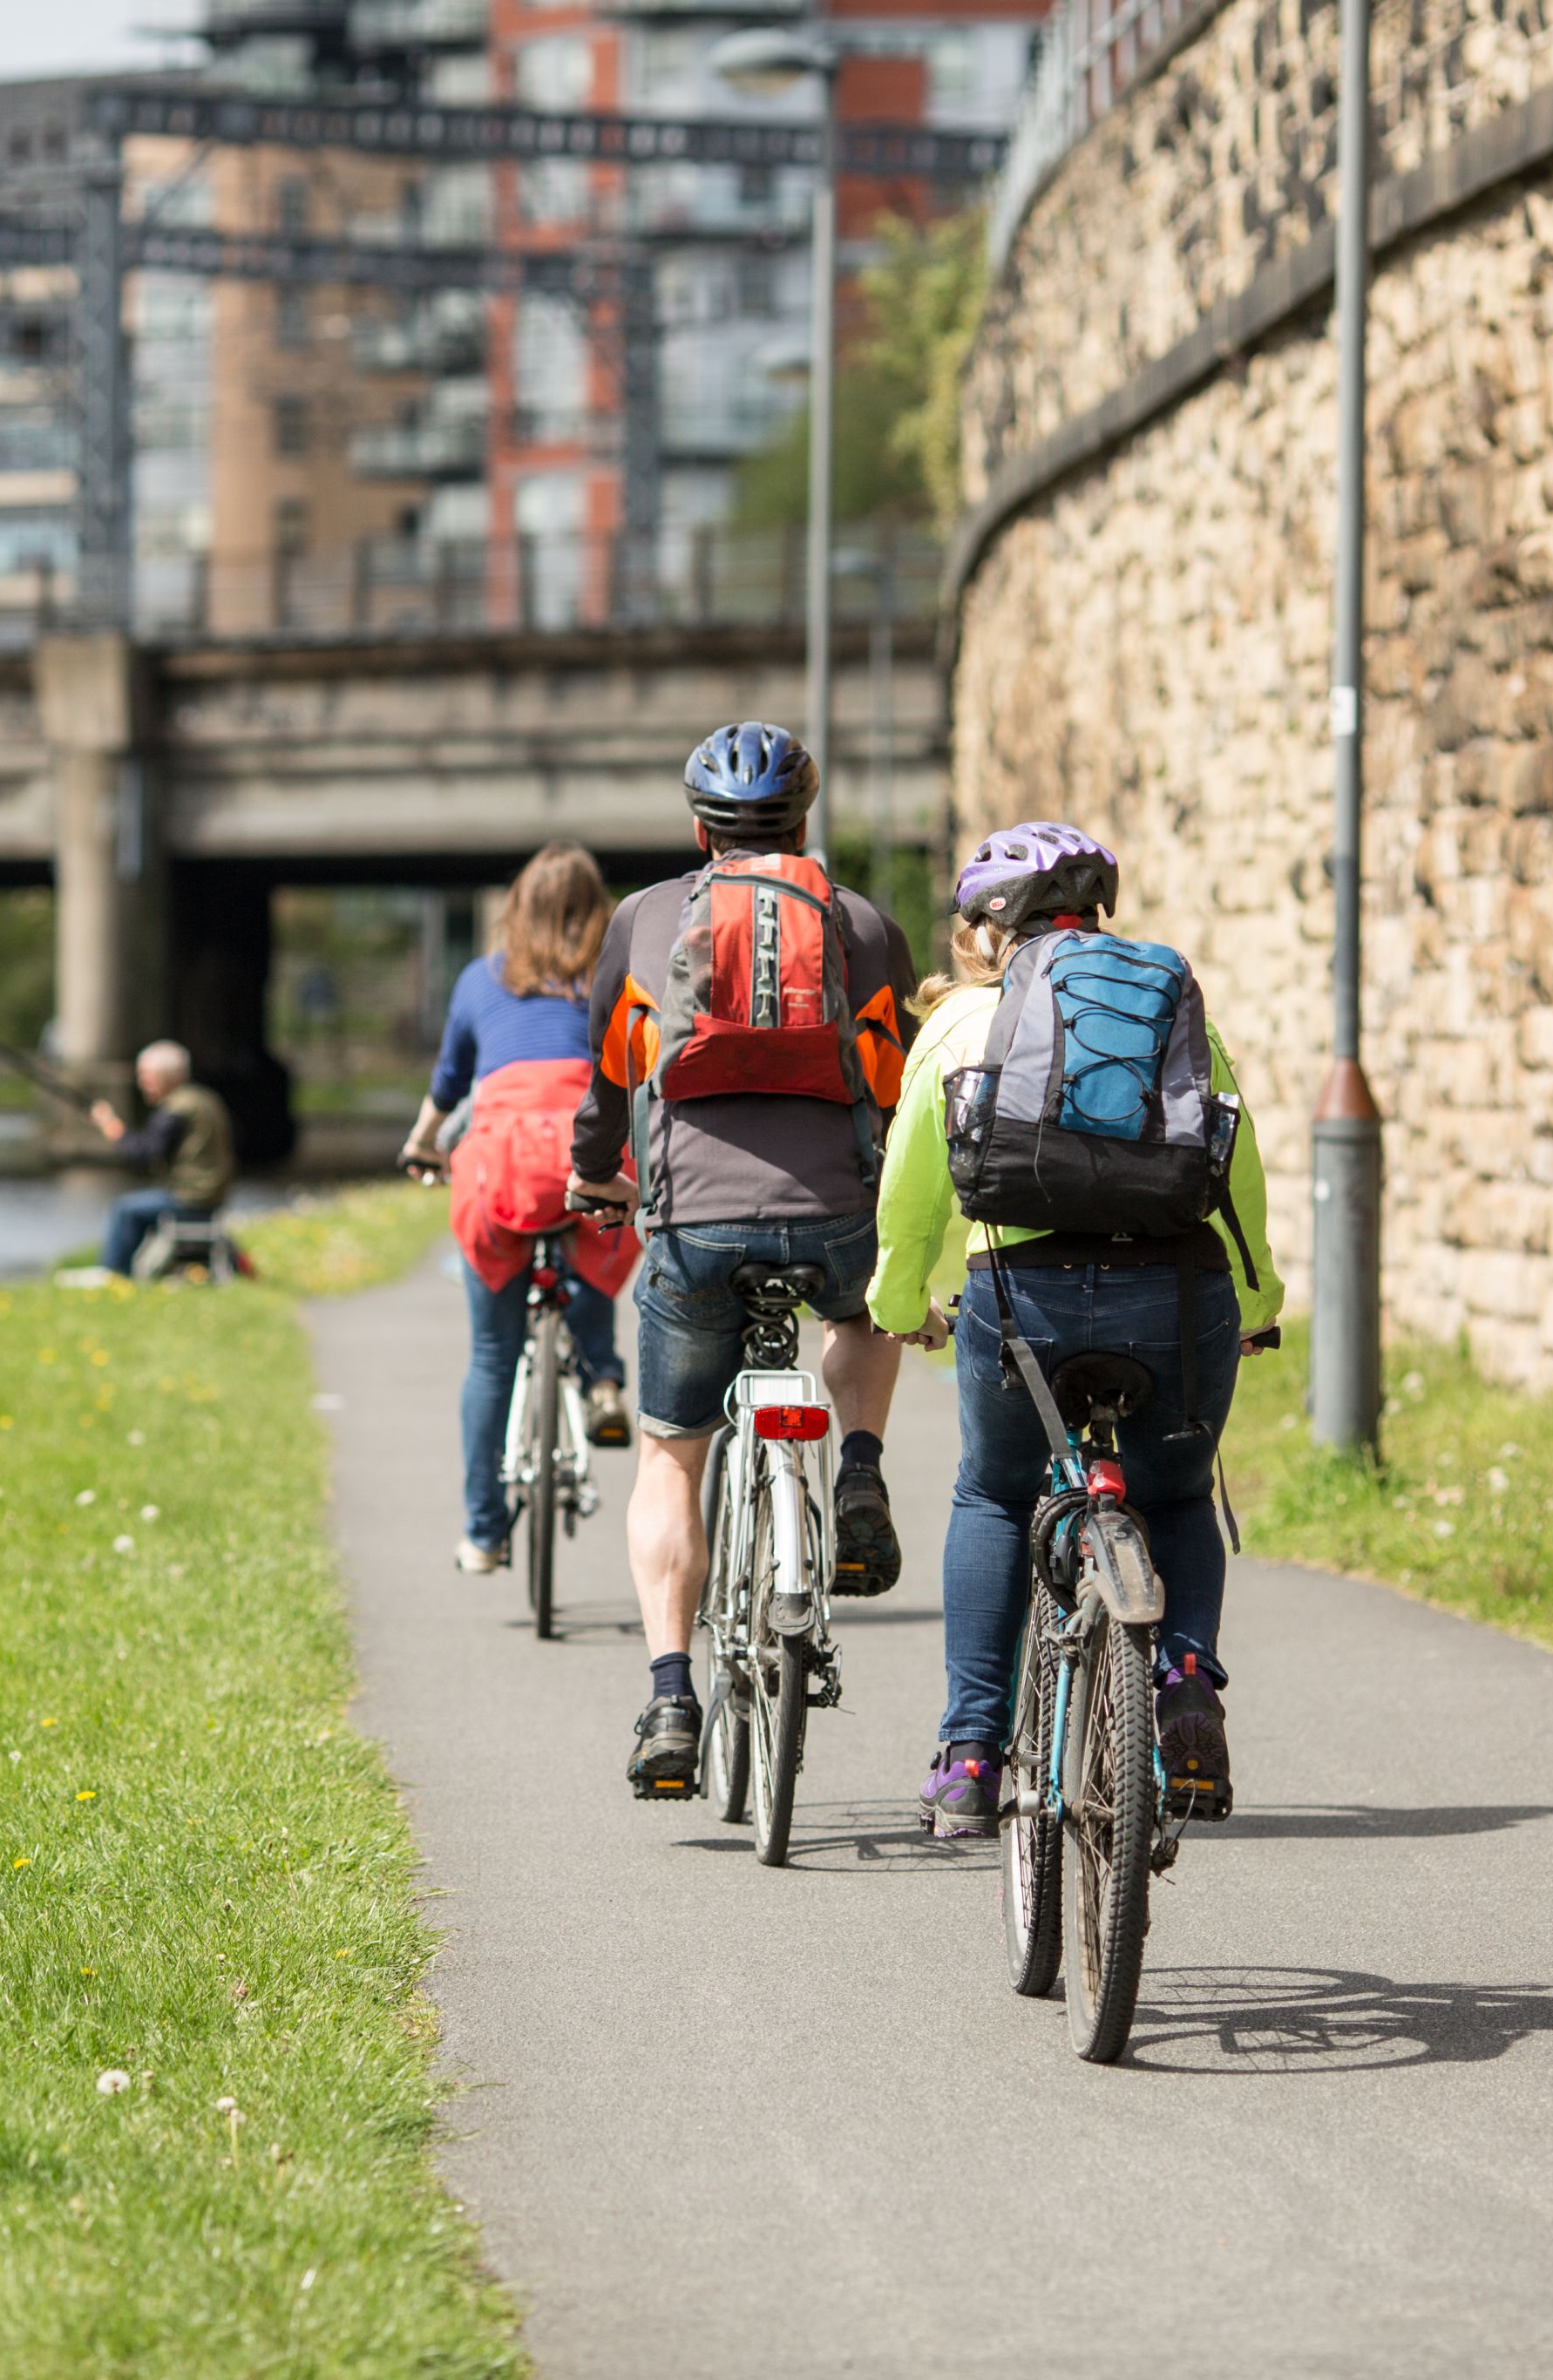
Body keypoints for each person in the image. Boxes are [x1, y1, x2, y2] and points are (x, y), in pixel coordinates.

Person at [868, 824, 1282, 1834]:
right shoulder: (1170, 1002)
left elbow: (911, 1196)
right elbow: (1235, 1163)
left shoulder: (963, 1021)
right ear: (1094, 916)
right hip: (1174, 1299)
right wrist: (1256, 1304)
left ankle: (969, 1756)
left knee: (996, 1493)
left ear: (981, 934)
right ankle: (1183, 1682)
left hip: (1021, 1299)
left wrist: (895, 1306)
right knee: (1177, 1494)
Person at [568, 722, 916, 1795]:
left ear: (697, 825)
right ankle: (857, 1472)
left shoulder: (643, 921)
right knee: (857, 1318)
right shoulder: (860, 923)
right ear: (806, 822)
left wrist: (595, 1176)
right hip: (834, 1219)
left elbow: (609, 1084)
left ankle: (671, 1695)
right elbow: (899, 1083)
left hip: (690, 1225)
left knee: (672, 1452)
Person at [398, 843, 641, 1573]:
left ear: (517, 908)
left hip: (500, 1161)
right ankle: (601, 1376)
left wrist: (421, 1145)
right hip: (583, 1152)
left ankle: (482, 1532)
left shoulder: (480, 979)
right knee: (594, 1247)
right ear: (598, 909)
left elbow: (449, 1084)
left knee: (491, 1355)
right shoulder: (613, 974)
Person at [91, 1041, 237, 1277]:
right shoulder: (204, 1099)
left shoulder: (176, 1110)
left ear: (168, 1077)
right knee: (139, 1207)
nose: (142, 1084)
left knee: (125, 1210)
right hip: (212, 1197)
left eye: (146, 1076)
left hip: (191, 1199)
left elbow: (144, 1155)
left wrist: (112, 1128)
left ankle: (112, 1275)